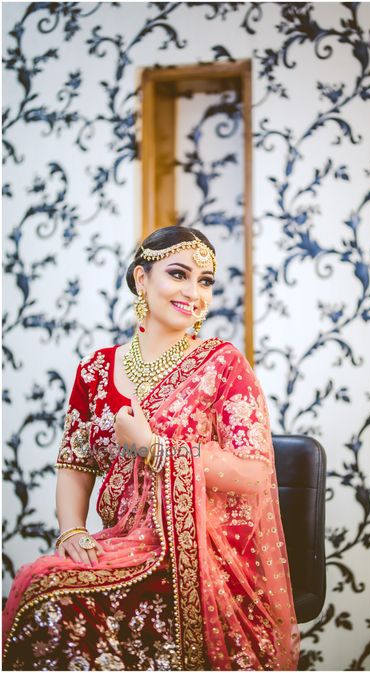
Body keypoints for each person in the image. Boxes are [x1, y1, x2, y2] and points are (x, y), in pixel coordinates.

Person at [2, 225, 301, 670]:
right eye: (178, 274)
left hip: (199, 554)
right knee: (34, 585)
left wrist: (155, 447)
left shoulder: (222, 364)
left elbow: (254, 470)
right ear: (142, 279)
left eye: (204, 281)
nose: (193, 292)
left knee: (53, 599)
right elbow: (74, 463)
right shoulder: (95, 371)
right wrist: (72, 530)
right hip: (122, 540)